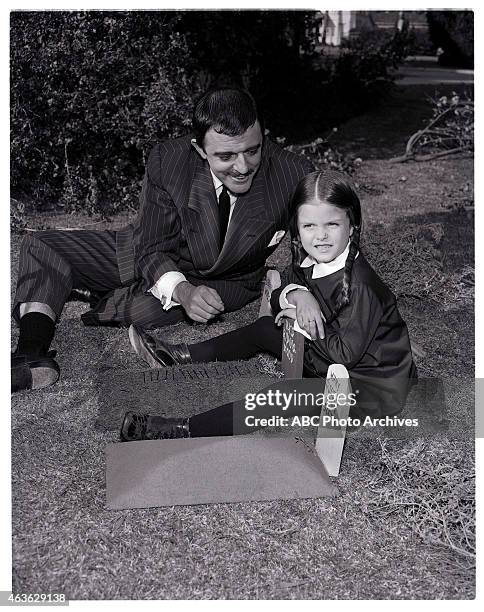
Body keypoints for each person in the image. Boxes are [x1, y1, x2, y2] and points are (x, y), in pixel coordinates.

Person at [11, 87, 313, 393]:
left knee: (137, 312)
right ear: (199, 150)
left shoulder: (294, 173)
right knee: (42, 246)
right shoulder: (168, 160)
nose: (243, 167)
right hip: (148, 250)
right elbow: (152, 246)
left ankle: (98, 291)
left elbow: (314, 249)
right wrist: (181, 290)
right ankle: (31, 354)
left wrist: (302, 295)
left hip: (225, 280)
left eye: (253, 150)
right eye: (225, 156)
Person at [121, 169, 418, 441]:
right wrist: (298, 296)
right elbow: (278, 296)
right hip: (327, 358)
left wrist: (303, 321)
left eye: (332, 224)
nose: (321, 235)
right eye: (309, 225)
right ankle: (179, 356)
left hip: (368, 388)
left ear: (351, 227)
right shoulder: (311, 258)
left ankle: (179, 429)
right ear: (297, 229)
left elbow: (344, 356)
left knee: (283, 395)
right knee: (265, 327)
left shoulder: (361, 286)